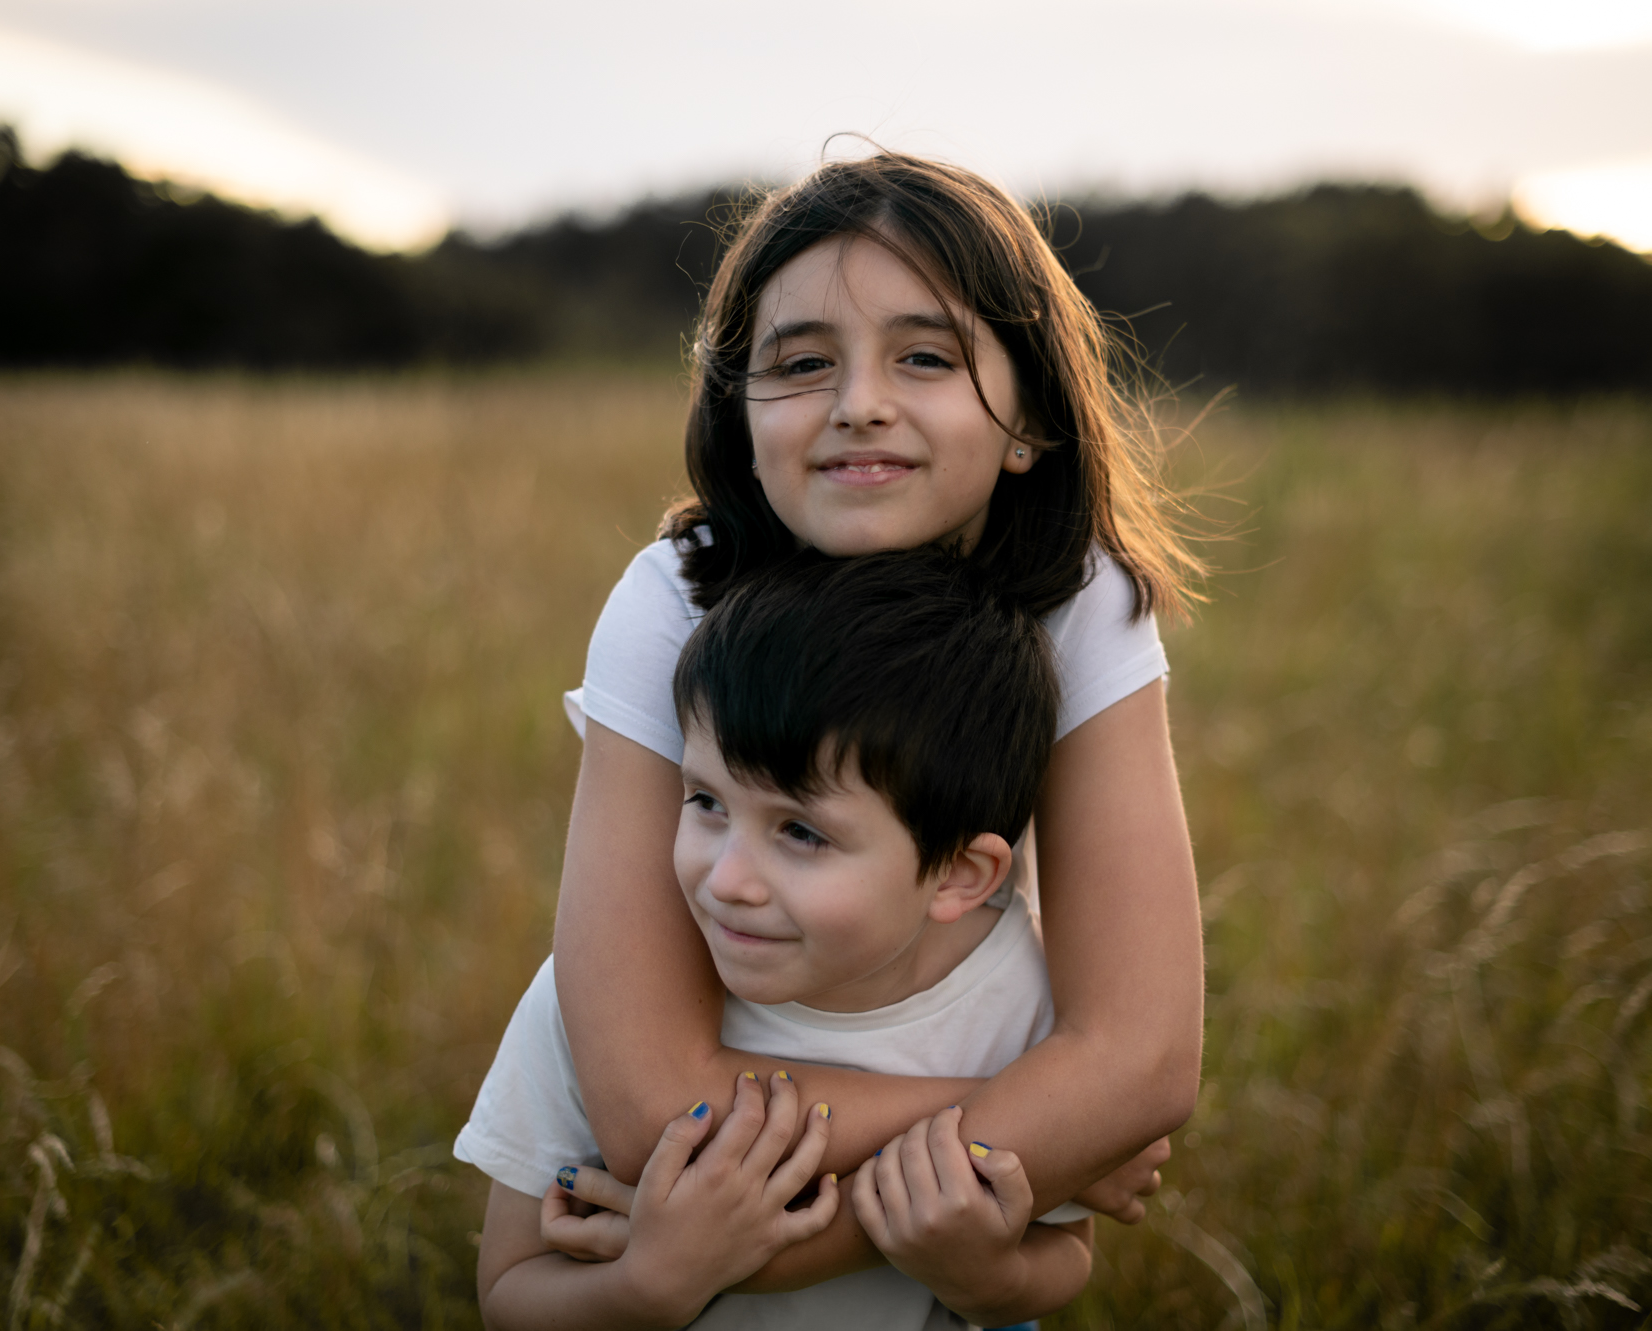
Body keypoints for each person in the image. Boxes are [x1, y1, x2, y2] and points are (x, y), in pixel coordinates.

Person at [551, 152, 1205, 1290]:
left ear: (1028, 420)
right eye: (801, 362)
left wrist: (746, 1249)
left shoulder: (1077, 601)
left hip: (922, 1139)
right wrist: (1037, 1123)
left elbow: (1141, 1062)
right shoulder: (674, 597)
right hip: (886, 1093)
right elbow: (655, 1105)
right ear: (739, 409)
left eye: (924, 356)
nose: (859, 400)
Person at [459, 548, 1098, 1328]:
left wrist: (985, 1276)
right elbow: (509, 1291)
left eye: (799, 830)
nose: (727, 878)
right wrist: (649, 1286)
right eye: (705, 800)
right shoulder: (597, 1001)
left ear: (960, 874)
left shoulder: (1024, 1005)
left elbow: (1069, 1249)